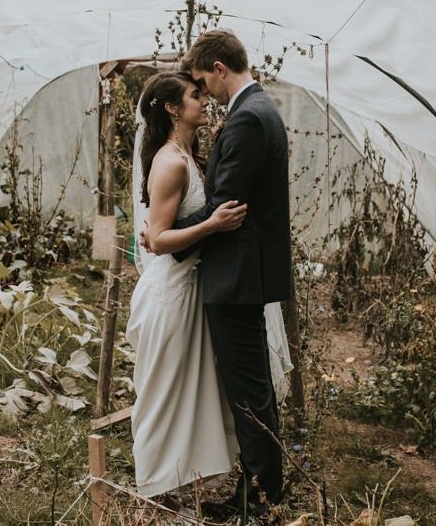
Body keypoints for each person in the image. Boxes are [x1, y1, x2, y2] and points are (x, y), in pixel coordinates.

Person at [142, 30, 293, 520]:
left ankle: (259, 502)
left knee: (248, 395)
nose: (206, 92)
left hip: (234, 278)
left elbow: (224, 203)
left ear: (220, 69)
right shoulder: (259, 111)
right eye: (196, 91)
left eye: (205, 81)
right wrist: (161, 235)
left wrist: (160, 238)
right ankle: (256, 492)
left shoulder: (248, 119)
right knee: (252, 391)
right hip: (236, 275)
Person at [125, 70, 246, 498]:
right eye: (195, 95)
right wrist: (212, 225)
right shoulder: (172, 162)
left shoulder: (187, 153)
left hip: (191, 288)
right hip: (172, 294)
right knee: (165, 391)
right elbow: (157, 239)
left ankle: (181, 481)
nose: (204, 100)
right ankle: (155, 483)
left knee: (189, 391)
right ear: (174, 108)